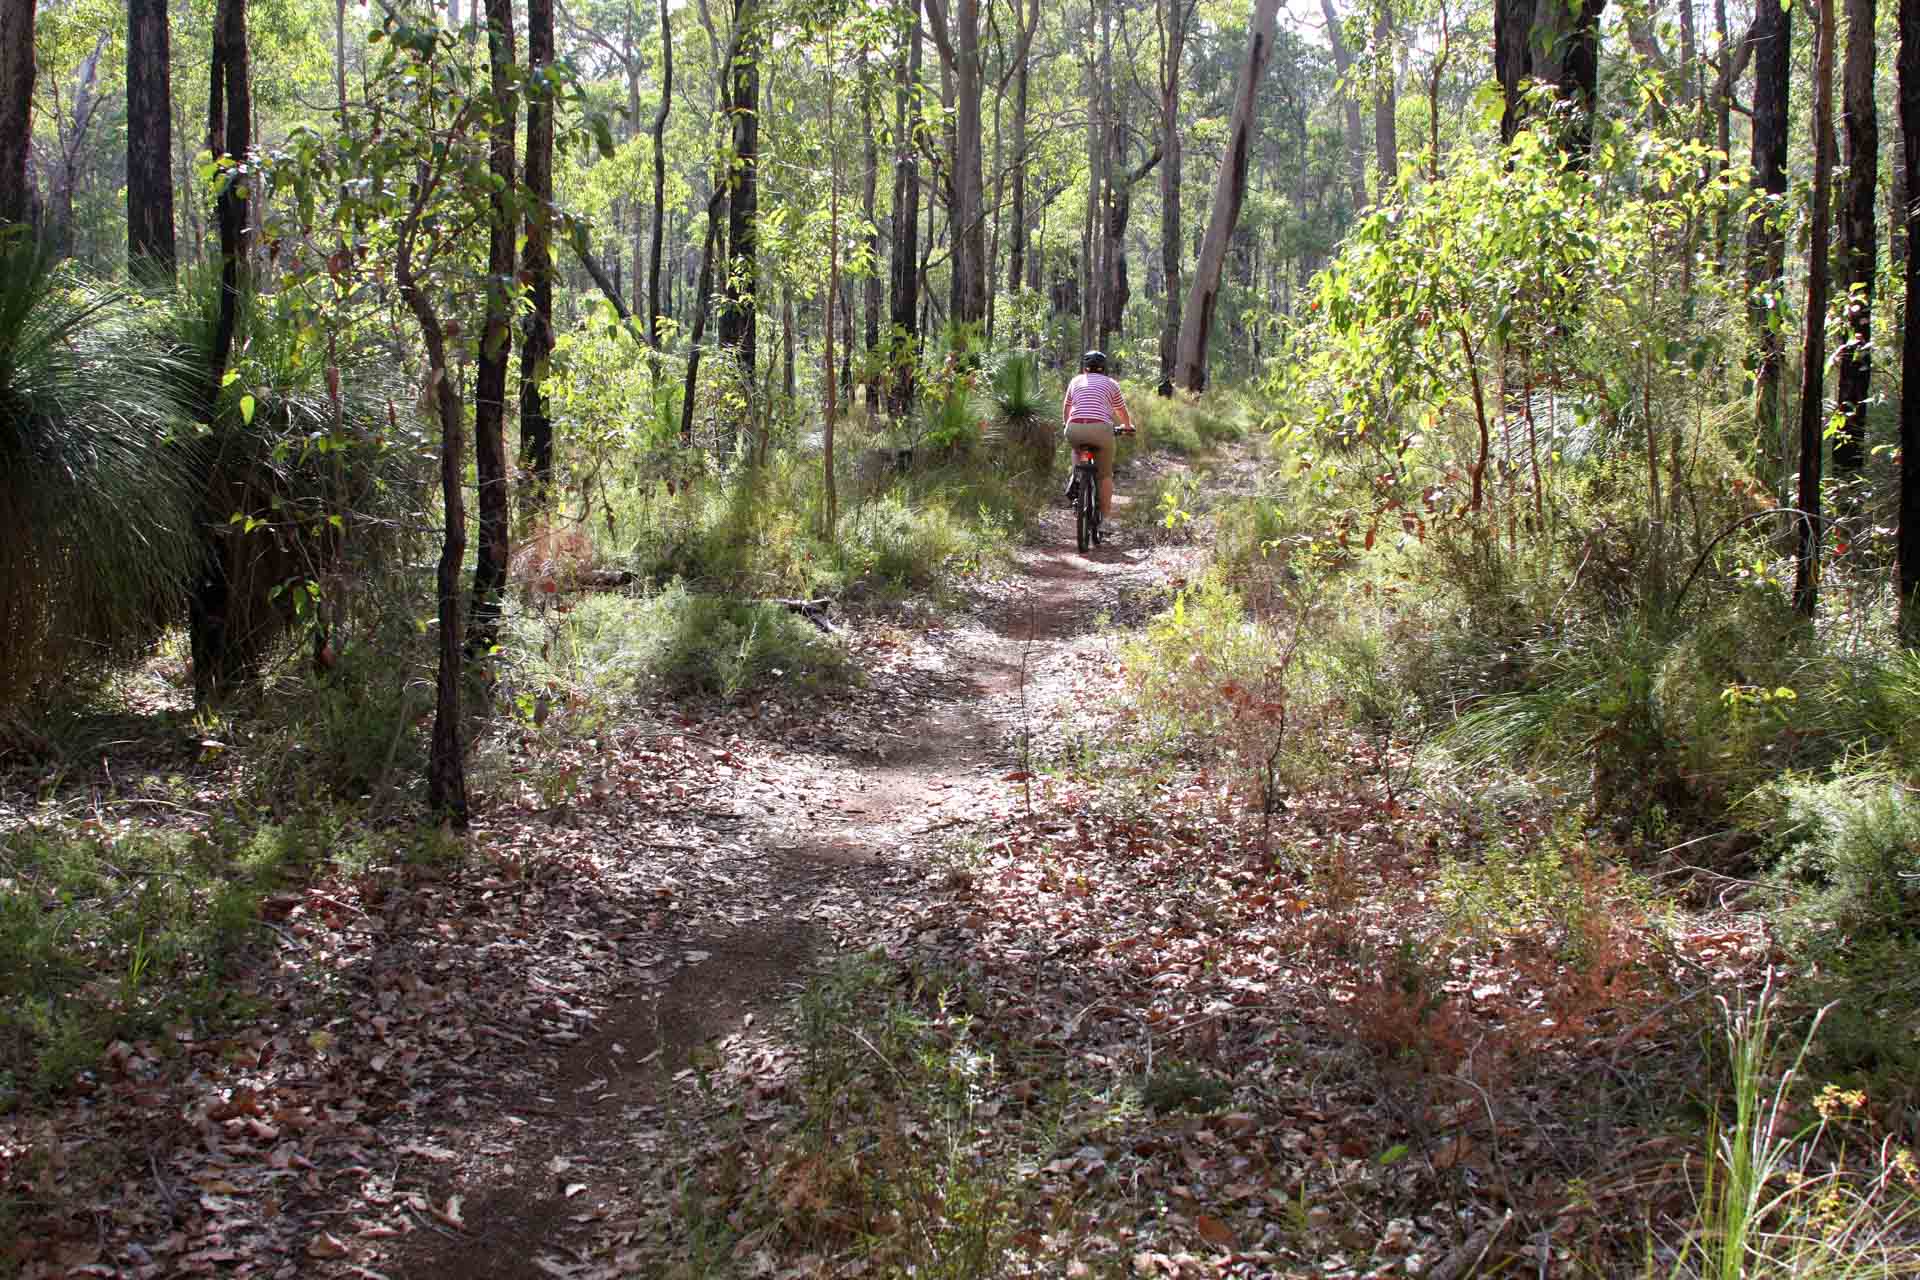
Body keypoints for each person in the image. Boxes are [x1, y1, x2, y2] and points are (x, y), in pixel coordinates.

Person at [1061, 350, 1135, 521]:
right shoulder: (1111, 384)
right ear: (1103, 368)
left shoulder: (1075, 381)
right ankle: (1106, 519)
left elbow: (1067, 407)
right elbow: (1121, 411)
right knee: (1104, 475)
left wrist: (1067, 424)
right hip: (1101, 430)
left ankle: (1076, 476)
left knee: (1077, 449)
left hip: (1074, 428)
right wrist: (1127, 427)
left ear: (1085, 368)